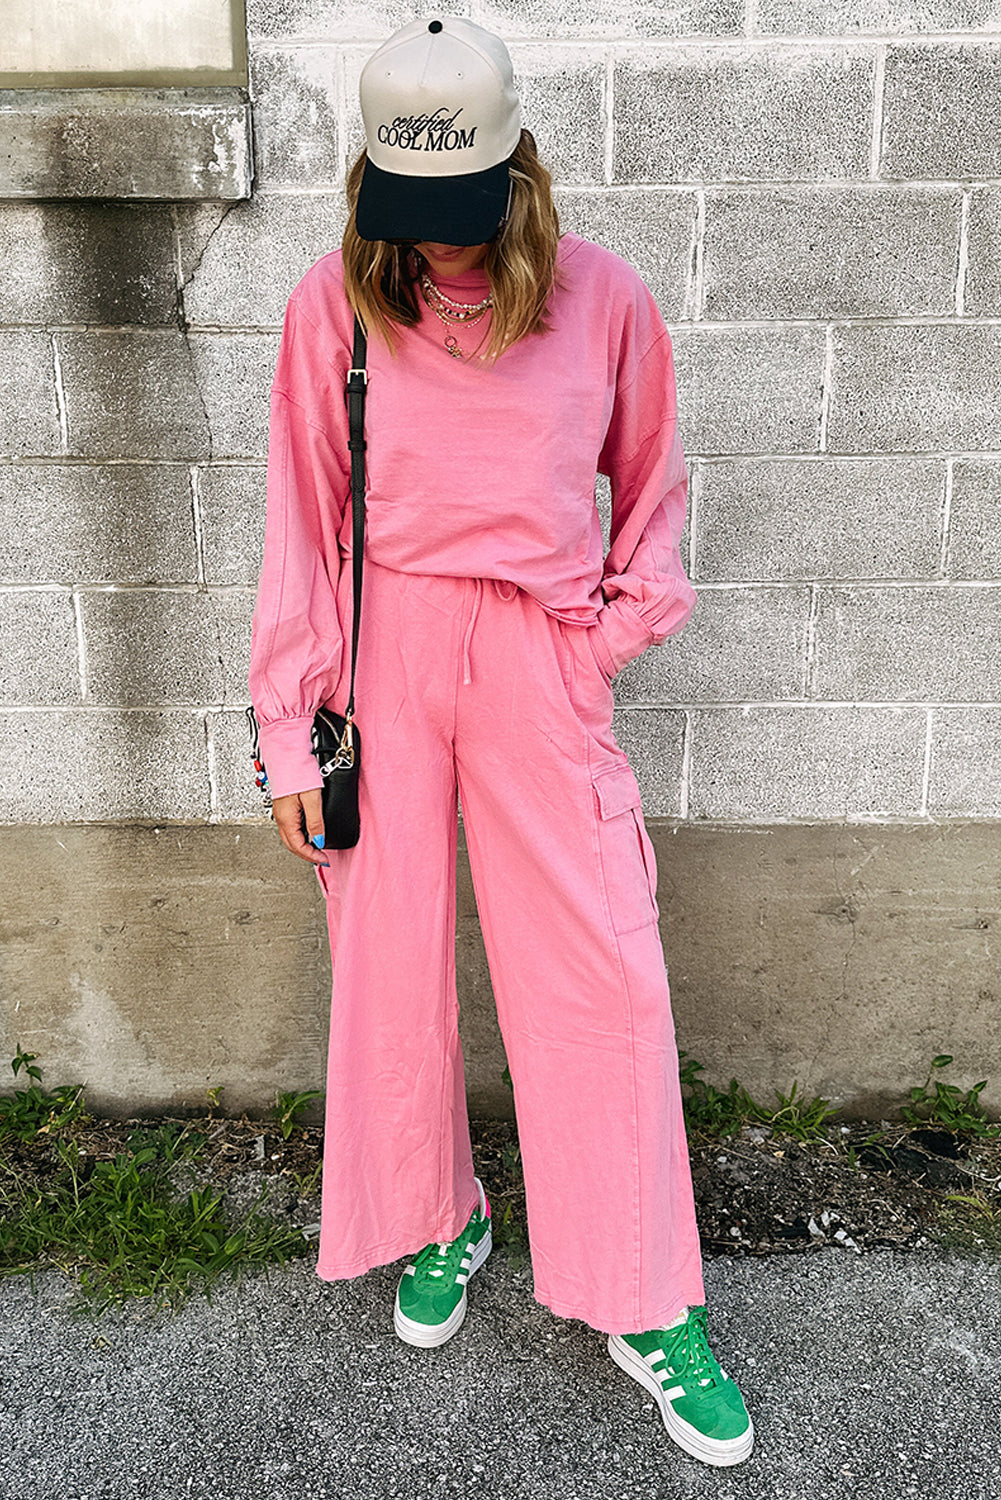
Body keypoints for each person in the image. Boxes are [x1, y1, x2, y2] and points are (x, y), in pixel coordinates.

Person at [248, 14, 754, 1469]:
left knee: (598, 970)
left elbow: (651, 496)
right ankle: (436, 1216)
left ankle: (646, 1296)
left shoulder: (602, 301)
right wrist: (292, 729)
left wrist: (597, 642)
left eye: (461, 213)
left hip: (538, 658)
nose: (441, 248)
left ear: (514, 168)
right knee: (389, 970)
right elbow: (302, 523)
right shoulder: (328, 309)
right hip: (380, 655)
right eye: (413, 217)